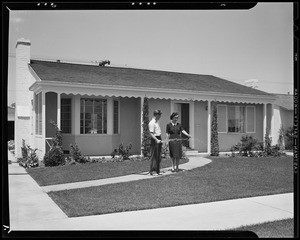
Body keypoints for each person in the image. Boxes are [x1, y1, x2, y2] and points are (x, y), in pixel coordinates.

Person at [148, 110, 163, 176]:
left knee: (158, 155)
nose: (160, 116)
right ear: (157, 115)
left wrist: (159, 139)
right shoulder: (152, 123)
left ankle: (157, 170)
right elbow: (151, 134)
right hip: (155, 139)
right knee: (154, 155)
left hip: (158, 138)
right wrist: (157, 139)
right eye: (160, 115)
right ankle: (152, 171)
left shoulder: (157, 122)